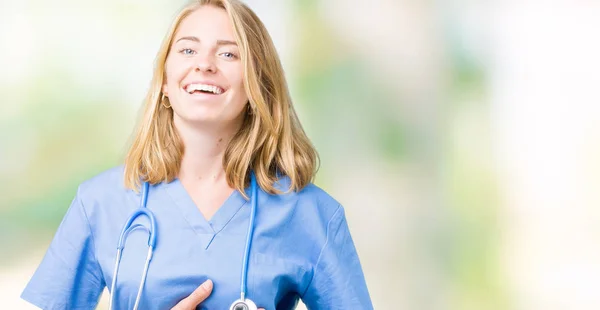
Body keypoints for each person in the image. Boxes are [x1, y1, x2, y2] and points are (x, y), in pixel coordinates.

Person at [21, 0, 373, 309]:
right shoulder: (101, 203)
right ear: (164, 82)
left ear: (257, 86)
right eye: (188, 50)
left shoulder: (310, 215)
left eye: (229, 53)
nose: (204, 64)